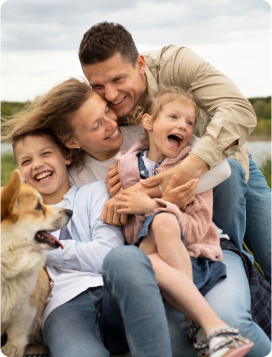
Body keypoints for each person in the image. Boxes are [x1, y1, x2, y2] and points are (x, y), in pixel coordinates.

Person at [1, 79, 271, 357]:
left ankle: (207, 313)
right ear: (71, 144)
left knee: (229, 319)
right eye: (96, 124)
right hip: (137, 264)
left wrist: (150, 196)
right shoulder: (78, 177)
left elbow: (226, 172)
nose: (110, 123)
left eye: (107, 111)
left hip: (199, 246)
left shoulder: (147, 134)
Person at [78, 21, 272, 285]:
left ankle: (240, 283)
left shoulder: (177, 63)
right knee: (216, 261)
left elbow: (238, 109)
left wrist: (186, 169)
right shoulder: (102, 106)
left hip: (226, 167)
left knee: (265, 250)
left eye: (118, 79)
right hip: (170, 204)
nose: (110, 94)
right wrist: (119, 176)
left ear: (141, 64)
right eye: (98, 86)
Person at [113, 86, 254, 357]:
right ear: (148, 122)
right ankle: (203, 324)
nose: (184, 126)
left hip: (190, 256)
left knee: (165, 223)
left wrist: (154, 206)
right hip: (149, 256)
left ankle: (199, 324)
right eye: (174, 117)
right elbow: (130, 233)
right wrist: (153, 208)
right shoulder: (126, 167)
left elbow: (199, 226)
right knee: (157, 232)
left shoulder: (192, 164)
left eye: (189, 122)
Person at [10, 128, 173, 357]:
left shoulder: (93, 193)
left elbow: (107, 255)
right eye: (27, 161)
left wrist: (39, 251)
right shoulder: (18, 220)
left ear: (66, 156)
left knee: (126, 257)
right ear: (21, 173)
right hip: (63, 309)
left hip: (110, 295)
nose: (37, 164)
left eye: (46, 153)